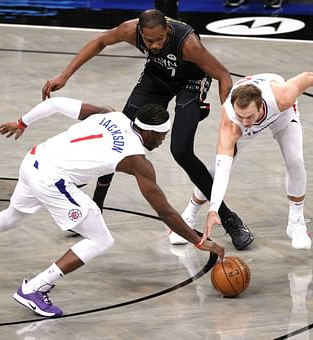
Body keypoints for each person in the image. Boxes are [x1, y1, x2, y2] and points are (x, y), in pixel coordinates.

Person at [0, 97, 225, 317]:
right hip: (50, 178)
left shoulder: (112, 114)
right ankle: (35, 288)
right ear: (148, 133)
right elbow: (165, 212)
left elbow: (56, 103)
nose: (162, 141)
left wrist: (22, 122)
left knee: (12, 215)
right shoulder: (138, 160)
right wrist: (198, 240)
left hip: (33, 159)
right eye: (161, 136)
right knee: (100, 238)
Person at [41, 9, 253, 250]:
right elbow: (100, 41)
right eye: (149, 40)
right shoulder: (129, 30)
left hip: (191, 82)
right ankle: (96, 206)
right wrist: (65, 75)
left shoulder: (189, 44)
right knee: (117, 135)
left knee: (181, 151)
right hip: (157, 77)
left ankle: (228, 218)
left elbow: (223, 75)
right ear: (140, 32)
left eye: (160, 40)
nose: (154, 45)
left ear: (168, 31)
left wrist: (228, 115)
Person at [187, 72, 313, 249]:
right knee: (215, 171)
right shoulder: (232, 124)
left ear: (260, 107)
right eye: (241, 115)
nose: (245, 121)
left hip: (280, 115)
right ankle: (189, 214)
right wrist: (213, 209)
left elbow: (308, 77)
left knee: (295, 160)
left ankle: (296, 221)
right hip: (243, 129)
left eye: (249, 116)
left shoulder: (281, 97)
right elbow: (222, 172)